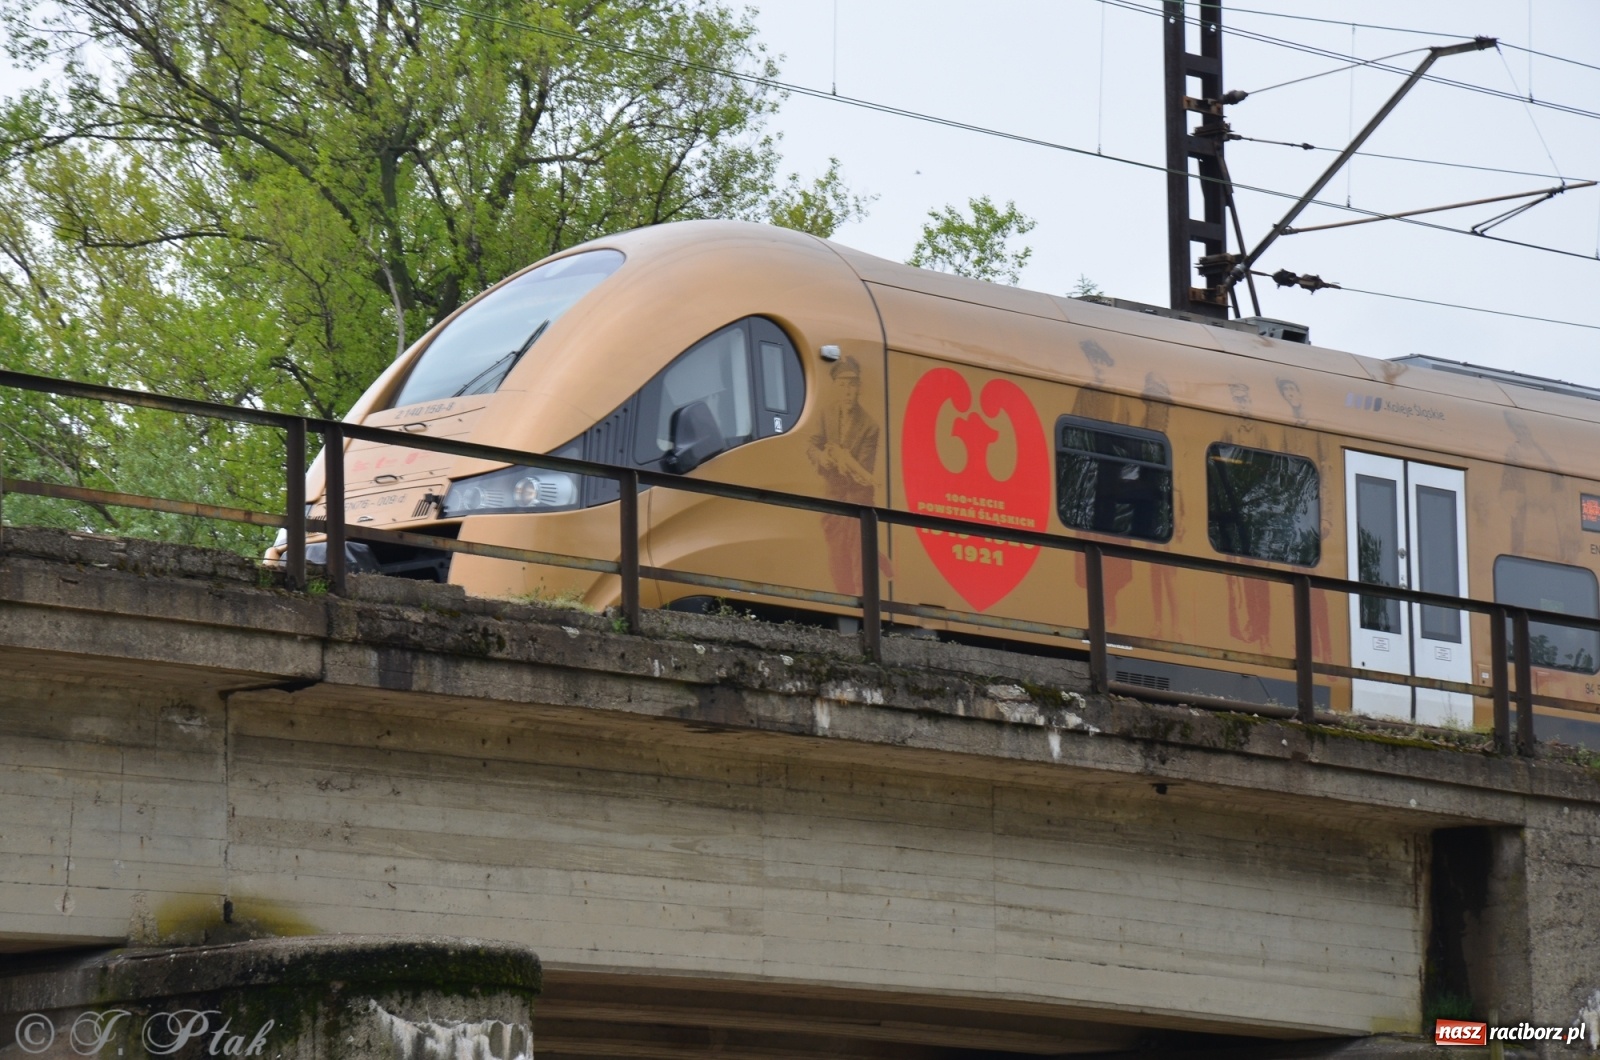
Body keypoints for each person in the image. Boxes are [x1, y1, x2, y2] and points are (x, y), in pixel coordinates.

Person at [807, 356, 879, 593]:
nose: (847, 391)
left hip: (858, 503)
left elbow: (864, 471)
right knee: (837, 563)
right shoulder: (826, 414)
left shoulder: (870, 426)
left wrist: (841, 460)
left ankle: (861, 615)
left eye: (852, 385)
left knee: (860, 565)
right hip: (833, 501)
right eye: (842, 385)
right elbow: (812, 445)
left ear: (858, 388)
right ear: (836, 387)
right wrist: (823, 458)